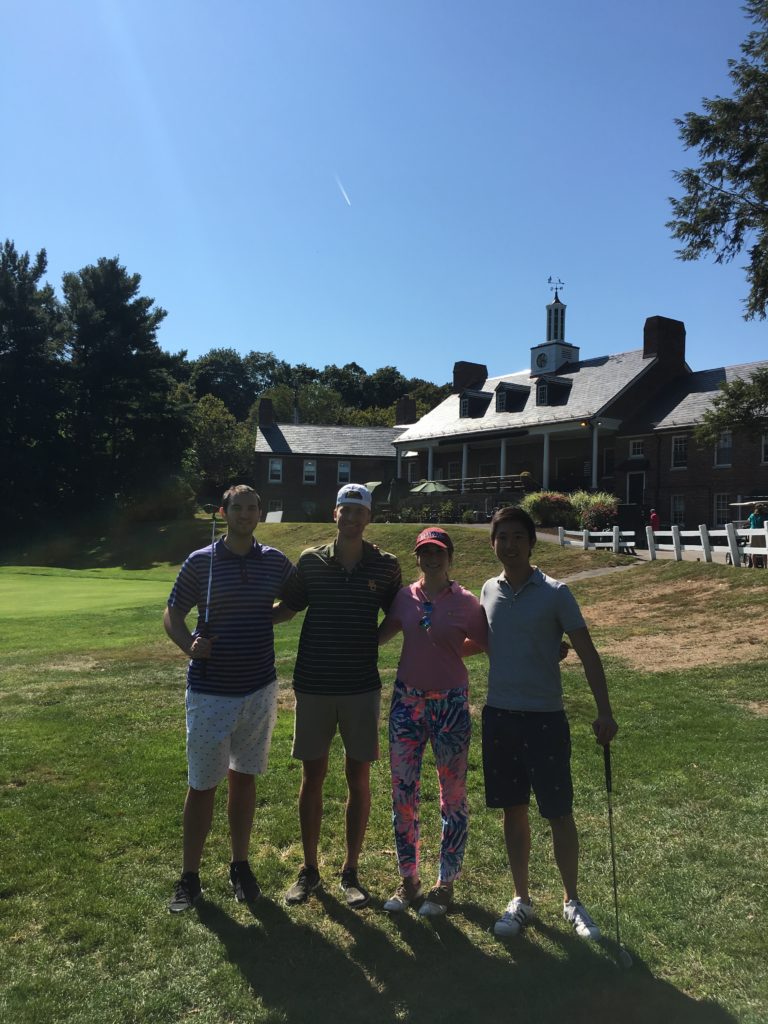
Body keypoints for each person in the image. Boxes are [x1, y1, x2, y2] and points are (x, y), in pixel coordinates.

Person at [480, 505, 618, 941]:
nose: (510, 545)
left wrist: (605, 710)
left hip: (545, 718)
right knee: (512, 809)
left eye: (518, 536)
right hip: (500, 715)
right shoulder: (486, 589)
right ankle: (521, 898)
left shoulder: (557, 593)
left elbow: (589, 653)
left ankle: (571, 899)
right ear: (494, 543)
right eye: (502, 537)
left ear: (531, 542)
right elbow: (494, 642)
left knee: (558, 811)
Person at [163, 485, 296, 913]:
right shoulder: (202, 562)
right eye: (236, 508)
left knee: (245, 779)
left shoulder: (274, 561)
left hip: (259, 687)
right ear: (224, 512)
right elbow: (172, 614)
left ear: (260, 513)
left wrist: (271, 615)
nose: (244, 514)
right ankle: (190, 876)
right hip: (210, 691)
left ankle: (240, 865)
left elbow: (294, 600)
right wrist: (188, 646)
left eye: (252, 508)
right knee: (202, 785)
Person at [274, 484, 402, 909]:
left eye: (358, 511)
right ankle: (309, 869)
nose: (351, 517)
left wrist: (373, 642)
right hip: (313, 685)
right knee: (312, 778)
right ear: (335, 514)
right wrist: (235, 615)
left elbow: (398, 613)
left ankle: (350, 870)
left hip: (360, 687)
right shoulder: (310, 562)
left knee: (358, 780)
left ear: (369, 517)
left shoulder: (386, 566)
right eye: (345, 510)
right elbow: (287, 609)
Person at [377, 527, 487, 917]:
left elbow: (489, 643)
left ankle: (445, 884)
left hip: (451, 706)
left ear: (449, 557)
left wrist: (456, 651)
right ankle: (409, 881)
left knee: (452, 796)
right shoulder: (405, 598)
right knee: (402, 794)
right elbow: (381, 636)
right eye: (424, 552)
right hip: (407, 703)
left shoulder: (467, 602)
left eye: (438, 551)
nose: (431, 558)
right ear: (417, 557)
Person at [747, 504, 766, 568]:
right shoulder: (764, 515)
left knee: (753, 550)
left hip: (752, 533)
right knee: (764, 550)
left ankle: (754, 566)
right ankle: (766, 565)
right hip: (761, 534)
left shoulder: (752, 515)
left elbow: (748, 521)